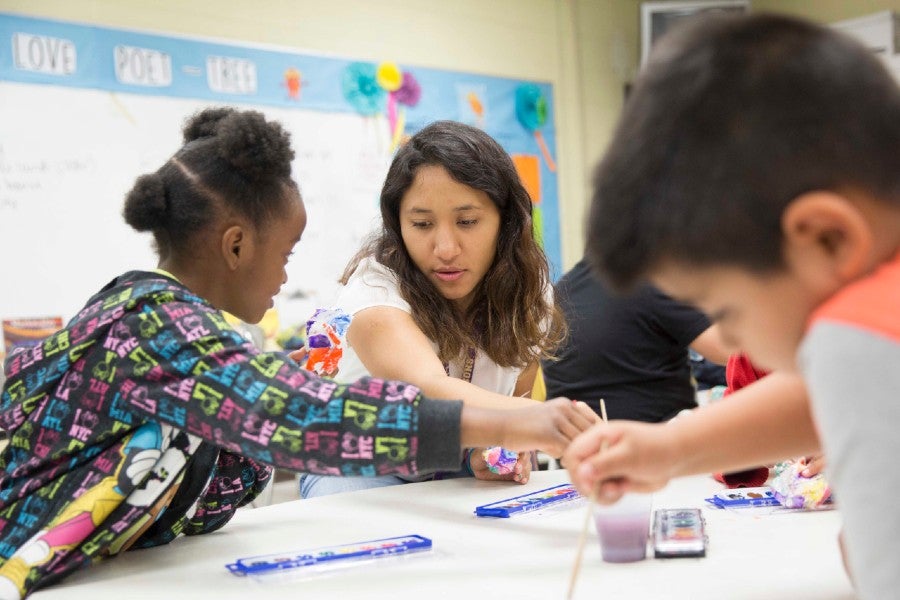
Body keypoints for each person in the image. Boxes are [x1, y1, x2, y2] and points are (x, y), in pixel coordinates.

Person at [0, 108, 597, 599]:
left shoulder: (189, 333)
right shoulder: (150, 327)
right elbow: (306, 419)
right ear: (236, 246)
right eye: (286, 253)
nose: (289, 277)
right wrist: (530, 421)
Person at [563, 13, 900, 599]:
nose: (733, 336)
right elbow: (824, 393)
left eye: (728, 310)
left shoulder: (862, 329)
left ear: (826, 238)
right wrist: (670, 449)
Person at [300, 120, 570, 498]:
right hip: (358, 463)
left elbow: (511, 404)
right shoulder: (374, 289)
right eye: (422, 224)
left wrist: (493, 451)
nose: (445, 248)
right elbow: (428, 390)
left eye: (467, 221)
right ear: (398, 225)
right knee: (363, 539)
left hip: (449, 463)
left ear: (505, 222)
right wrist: (549, 422)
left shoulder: (528, 293)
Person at [542, 257, 728, 422]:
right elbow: (733, 351)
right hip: (655, 446)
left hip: (578, 450)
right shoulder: (651, 280)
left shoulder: (562, 290)